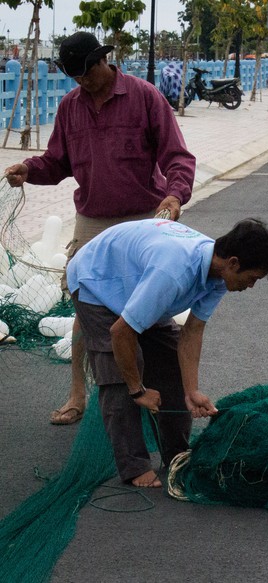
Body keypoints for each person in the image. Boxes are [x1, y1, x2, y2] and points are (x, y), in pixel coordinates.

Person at [4, 32, 196, 426]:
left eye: (87, 72)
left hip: (144, 216)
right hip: (93, 221)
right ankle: (77, 395)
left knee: (151, 310)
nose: (82, 82)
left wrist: (175, 196)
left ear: (102, 60)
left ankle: (163, 392)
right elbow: (56, 162)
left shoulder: (145, 97)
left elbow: (177, 156)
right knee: (86, 310)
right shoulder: (70, 107)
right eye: (75, 76)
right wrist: (29, 170)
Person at [67, 217, 268, 487]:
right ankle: (133, 465)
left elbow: (192, 332)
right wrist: (138, 390)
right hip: (97, 280)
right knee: (120, 371)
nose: (250, 286)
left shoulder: (218, 277)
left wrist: (191, 391)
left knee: (170, 362)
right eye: (252, 278)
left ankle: (176, 453)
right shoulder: (173, 272)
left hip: (138, 284)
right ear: (233, 263)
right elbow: (120, 332)